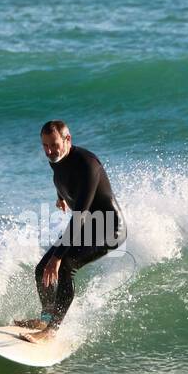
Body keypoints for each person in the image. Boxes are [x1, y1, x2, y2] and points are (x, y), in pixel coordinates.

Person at [17, 121, 126, 342]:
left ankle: (51, 331)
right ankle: (45, 318)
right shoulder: (56, 158)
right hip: (88, 227)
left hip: (109, 228)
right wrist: (60, 196)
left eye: (54, 145)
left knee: (65, 266)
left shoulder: (88, 165)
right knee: (41, 270)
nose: (48, 151)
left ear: (68, 140)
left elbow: (80, 216)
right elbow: (60, 176)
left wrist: (57, 257)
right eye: (44, 145)